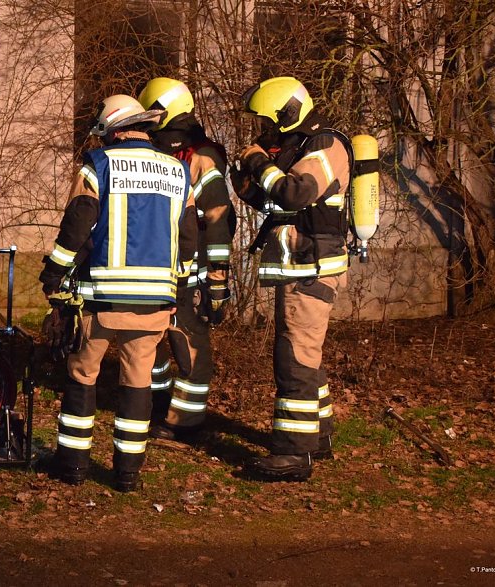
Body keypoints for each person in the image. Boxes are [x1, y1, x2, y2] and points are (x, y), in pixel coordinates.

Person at [39, 94, 198, 492]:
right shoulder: (179, 172)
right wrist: (176, 279)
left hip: (101, 300)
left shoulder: (99, 165)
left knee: (82, 375)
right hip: (155, 304)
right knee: (137, 382)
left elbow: (78, 223)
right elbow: (189, 237)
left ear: (112, 129)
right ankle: (127, 474)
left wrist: (54, 272)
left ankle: (73, 465)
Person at [233, 76, 351, 481]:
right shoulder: (299, 148)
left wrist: (258, 163)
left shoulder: (324, 146)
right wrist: (247, 177)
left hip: (310, 270)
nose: (264, 130)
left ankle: (292, 455)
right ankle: (317, 438)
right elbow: (274, 201)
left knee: (295, 358)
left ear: (288, 112)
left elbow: (294, 194)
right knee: (305, 355)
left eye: (268, 121)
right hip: (297, 269)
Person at [137, 77, 235, 443]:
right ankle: (157, 401)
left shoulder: (200, 157)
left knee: (189, 341)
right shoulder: (161, 152)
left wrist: (217, 281)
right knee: (152, 338)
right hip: (156, 267)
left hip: (189, 274)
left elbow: (217, 221)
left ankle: (186, 421)